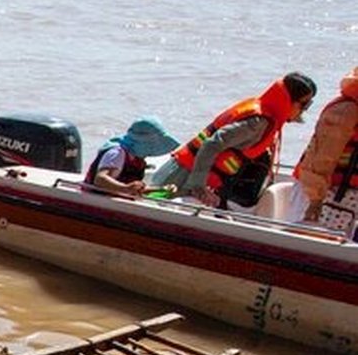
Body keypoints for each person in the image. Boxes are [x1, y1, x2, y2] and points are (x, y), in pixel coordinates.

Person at [147, 73, 317, 208]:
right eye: (304, 105)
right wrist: (197, 186)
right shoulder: (257, 123)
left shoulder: (264, 110)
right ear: (288, 101)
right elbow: (212, 144)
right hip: (181, 176)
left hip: (187, 170)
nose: (303, 111)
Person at [292, 65, 358, 239]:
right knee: (307, 244)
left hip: (343, 199)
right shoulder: (347, 111)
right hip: (321, 195)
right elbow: (321, 158)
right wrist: (315, 200)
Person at [84, 117, 178, 197]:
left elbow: (134, 188)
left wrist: (161, 189)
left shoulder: (137, 159)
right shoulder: (117, 153)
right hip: (96, 197)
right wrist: (125, 188)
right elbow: (100, 179)